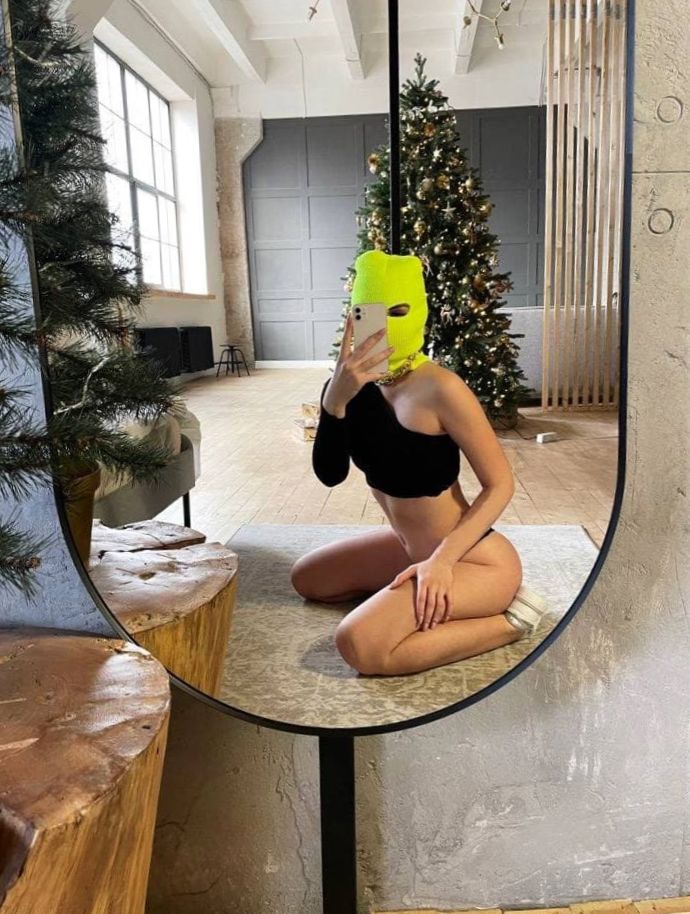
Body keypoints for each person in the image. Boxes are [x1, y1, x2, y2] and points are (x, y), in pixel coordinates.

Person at [290, 250, 547, 676]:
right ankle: (410, 598)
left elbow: (501, 484)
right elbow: (330, 474)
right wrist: (334, 401)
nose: (385, 325)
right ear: (353, 317)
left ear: (420, 312)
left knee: (359, 644)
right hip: (406, 548)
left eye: (398, 312)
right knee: (308, 579)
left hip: (472, 560)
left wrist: (442, 562)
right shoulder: (347, 386)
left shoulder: (442, 388)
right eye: (370, 313)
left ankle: (510, 621)